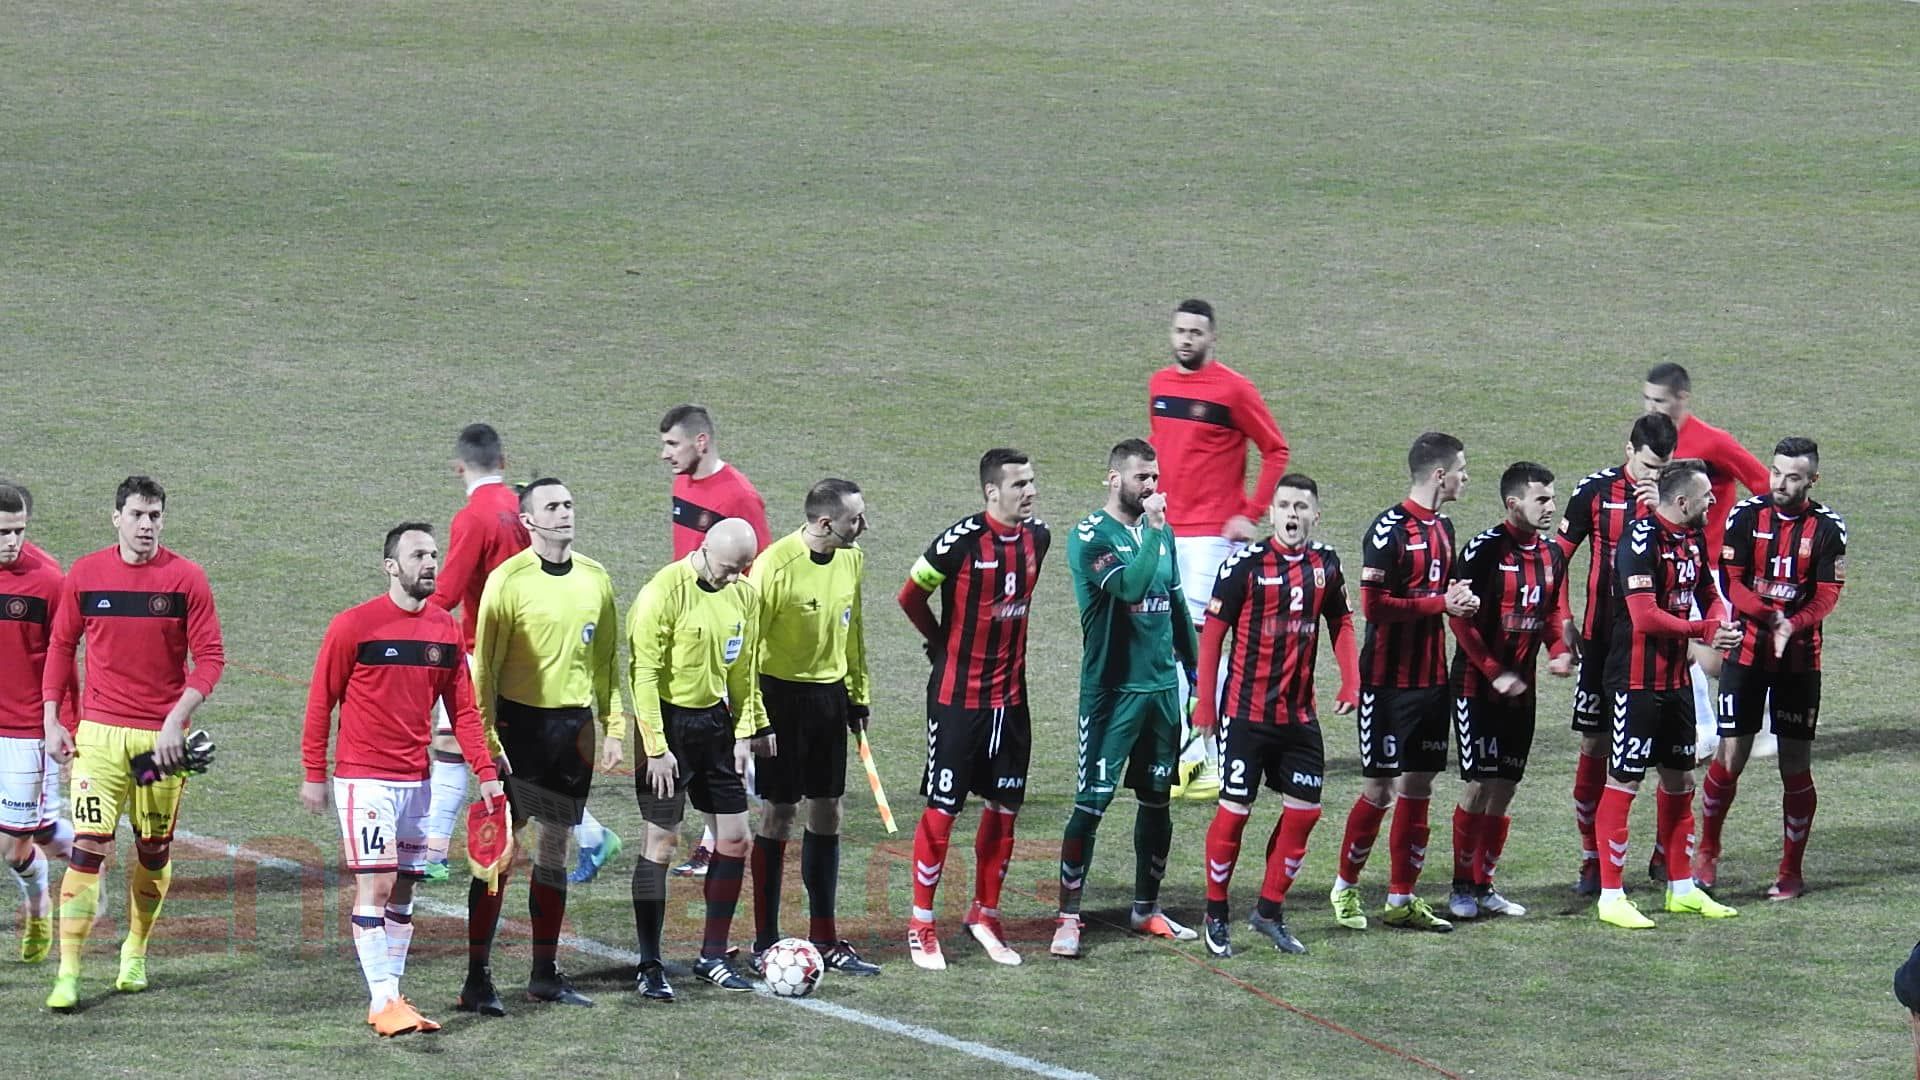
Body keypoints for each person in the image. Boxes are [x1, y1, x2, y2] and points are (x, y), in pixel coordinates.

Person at [301, 523, 506, 1036]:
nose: (430, 563)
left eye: (434, 554)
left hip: (419, 781)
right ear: (391, 566)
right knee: (377, 884)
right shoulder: (354, 626)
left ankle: (391, 995)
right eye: (418, 555)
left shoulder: (444, 630)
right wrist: (313, 772)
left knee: (406, 888)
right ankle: (382, 998)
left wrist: (484, 771)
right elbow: (321, 700)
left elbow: (463, 710)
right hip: (365, 779)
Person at [41, 476, 225, 1010]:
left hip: (158, 747)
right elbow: (61, 645)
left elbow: (211, 659)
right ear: (116, 517)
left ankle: (136, 949)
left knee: (153, 848)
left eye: (155, 516)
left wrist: (176, 720)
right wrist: (53, 719)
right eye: (138, 515)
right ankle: (69, 972)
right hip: (98, 738)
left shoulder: (186, 579)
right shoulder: (86, 574)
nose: (147, 525)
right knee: (87, 850)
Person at [457, 479, 621, 1013]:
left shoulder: (596, 578)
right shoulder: (508, 581)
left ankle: (544, 974)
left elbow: (606, 662)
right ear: (529, 521)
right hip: (519, 727)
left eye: (569, 504)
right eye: (552, 506)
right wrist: (487, 740)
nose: (565, 512)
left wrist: (613, 726)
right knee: (499, 852)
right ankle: (477, 979)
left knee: (555, 848)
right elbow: (484, 671)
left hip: (573, 730)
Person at [1193, 474, 1358, 956]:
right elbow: (1212, 635)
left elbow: (1341, 620)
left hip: (1299, 717)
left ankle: (1268, 911)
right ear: (1271, 514)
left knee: (1305, 814)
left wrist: (1351, 679)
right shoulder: (1243, 566)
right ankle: (1216, 911)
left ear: (1315, 515)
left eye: (1301, 507)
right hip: (1245, 715)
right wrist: (1205, 702)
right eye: (1284, 505)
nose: (1292, 514)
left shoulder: (1326, 564)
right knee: (1234, 813)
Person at [897, 449, 1049, 969]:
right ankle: (921, 922)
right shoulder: (959, 542)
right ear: (991, 491)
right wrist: (940, 643)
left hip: (1011, 702)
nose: (1029, 492)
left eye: (1031, 482)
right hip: (957, 702)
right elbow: (909, 595)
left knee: (1005, 810)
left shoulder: (1039, 537)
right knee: (944, 810)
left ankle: (985, 914)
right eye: (1019, 484)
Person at [1050, 440, 1200, 959]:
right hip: (1111, 695)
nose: (1152, 486)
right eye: (1142, 477)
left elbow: (1175, 603)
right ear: (1114, 479)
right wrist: (1155, 531)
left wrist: (1198, 676)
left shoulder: (1163, 532)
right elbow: (1132, 589)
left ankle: (1146, 908)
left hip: (1160, 692)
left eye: (1155, 476)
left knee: (1157, 800)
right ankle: (1068, 917)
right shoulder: (1089, 536)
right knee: (1091, 804)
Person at [1328, 433, 1475, 934]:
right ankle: (1345, 887)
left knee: (1419, 787)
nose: (1465, 477)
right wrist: (1441, 604)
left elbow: (1444, 590)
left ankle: (1401, 898)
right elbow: (1374, 607)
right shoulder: (1387, 530)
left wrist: (1460, 598)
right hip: (1387, 685)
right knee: (1379, 790)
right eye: (1461, 469)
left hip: (1432, 681)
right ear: (1439, 474)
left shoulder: (1445, 527)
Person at [1148, 299, 1290, 799]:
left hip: (1212, 537)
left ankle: (1201, 758)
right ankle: (1213, 747)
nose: (1186, 339)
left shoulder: (1233, 390)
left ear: (1213, 338)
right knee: (1172, 646)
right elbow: (1162, 448)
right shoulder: (1160, 385)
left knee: (1193, 645)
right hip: (1165, 533)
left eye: (1196, 332)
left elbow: (1276, 449)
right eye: (1180, 331)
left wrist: (1250, 512)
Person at [1592, 460, 1742, 929]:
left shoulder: (1692, 537)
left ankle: (1682, 888)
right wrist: (1703, 630)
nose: (1713, 500)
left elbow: (1708, 590)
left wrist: (1719, 619)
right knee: (1624, 782)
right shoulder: (1638, 542)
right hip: (1634, 684)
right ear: (1681, 501)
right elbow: (1645, 617)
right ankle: (1611, 896)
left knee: (1680, 781)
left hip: (1676, 682)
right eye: (1706, 495)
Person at [1693, 438, 1845, 901]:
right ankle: (1707, 853)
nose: (1780, 483)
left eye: (1793, 477)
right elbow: (1732, 583)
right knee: (1730, 755)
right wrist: (1769, 617)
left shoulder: (1828, 528)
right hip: (1746, 654)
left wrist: (1792, 624)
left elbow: (1827, 595)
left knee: (1795, 765)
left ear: (1812, 480)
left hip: (1800, 661)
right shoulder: (1745, 516)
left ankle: (1790, 871)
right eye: (1776, 472)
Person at [625, 518, 769, 998]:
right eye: (728, 567)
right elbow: (644, 675)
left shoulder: (744, 596)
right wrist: (656, 748)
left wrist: (745, 733)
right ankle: (649, 964)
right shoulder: (662, 593)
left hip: (714, 725)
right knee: (661, 843)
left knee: (736, 840)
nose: (734, 577)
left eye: (743, 568)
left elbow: (744, 670)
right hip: (666, 726)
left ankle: (712, 955)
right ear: (704, 549)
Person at [744, 480, 882, 976]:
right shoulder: (773, 567)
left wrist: (857, 694)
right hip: (780, 698)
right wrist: (754, 717)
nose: (863, 527)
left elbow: (853, 627)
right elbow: (747, 646)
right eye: (854, 520)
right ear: (825, 523)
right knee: (779, 813)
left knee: (828, 810)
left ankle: (824, 937)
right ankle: (765, 941)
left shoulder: (851, 559)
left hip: (829, 696)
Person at [1443, 463, 1574, 921]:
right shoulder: (1483, 550)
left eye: (1553, 498)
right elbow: (1459, 619)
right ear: (1513, 503)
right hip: (1475, 687)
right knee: (1479, 784)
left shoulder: (1552, 554)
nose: (1551, 507)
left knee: (1505, 787)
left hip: (1523, 693)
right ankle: (1460, 886)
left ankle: (1484, 884)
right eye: (1542, 499)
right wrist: (1493, 670)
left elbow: (1552, 611)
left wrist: (1559, 650)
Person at [1555, 414, 1676, 895]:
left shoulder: (1678, 494)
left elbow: (1696, 566)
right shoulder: (1595, 491)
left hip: (1659, 646)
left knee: (1671, 756)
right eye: (1648, 467)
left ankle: (1667, 854)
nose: (1654, 477)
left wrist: (1658, 509)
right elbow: (1556, 558)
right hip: (1602, 644)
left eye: (1662, 468)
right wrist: (1562, 619)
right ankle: (1592, 858)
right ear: (1629, 451)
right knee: (1595, 746)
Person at [659, 404, 771, 878]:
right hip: (686, 631)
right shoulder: (682, 483)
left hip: (723, 636)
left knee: (718, 743)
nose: (665, 454)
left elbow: (759, 570)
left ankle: (717, 840)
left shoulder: (739, 496)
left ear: (700, 442)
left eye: (672, 444)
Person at [1642, 364, 1770, 760]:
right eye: (1646, 399)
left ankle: (1766, 720)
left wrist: (1749, 538)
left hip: (1712, 567)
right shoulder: (1650, 441)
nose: (1651, 407)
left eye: (1659, 400)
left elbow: (1764, 485)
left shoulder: (1713, 442)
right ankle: (1705, 728)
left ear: (1682, 398)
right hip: (1671, 561)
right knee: (1679, 645)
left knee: (1718, 656)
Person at [0, 483, 76, 965]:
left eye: (19, 531)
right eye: (2, 532)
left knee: (14, 849)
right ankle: (86, 856)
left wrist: (68, 725)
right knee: (42, 829)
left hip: (26, 732)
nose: (12, 541)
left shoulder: (47, 581)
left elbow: (65, 660)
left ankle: (39, 907)